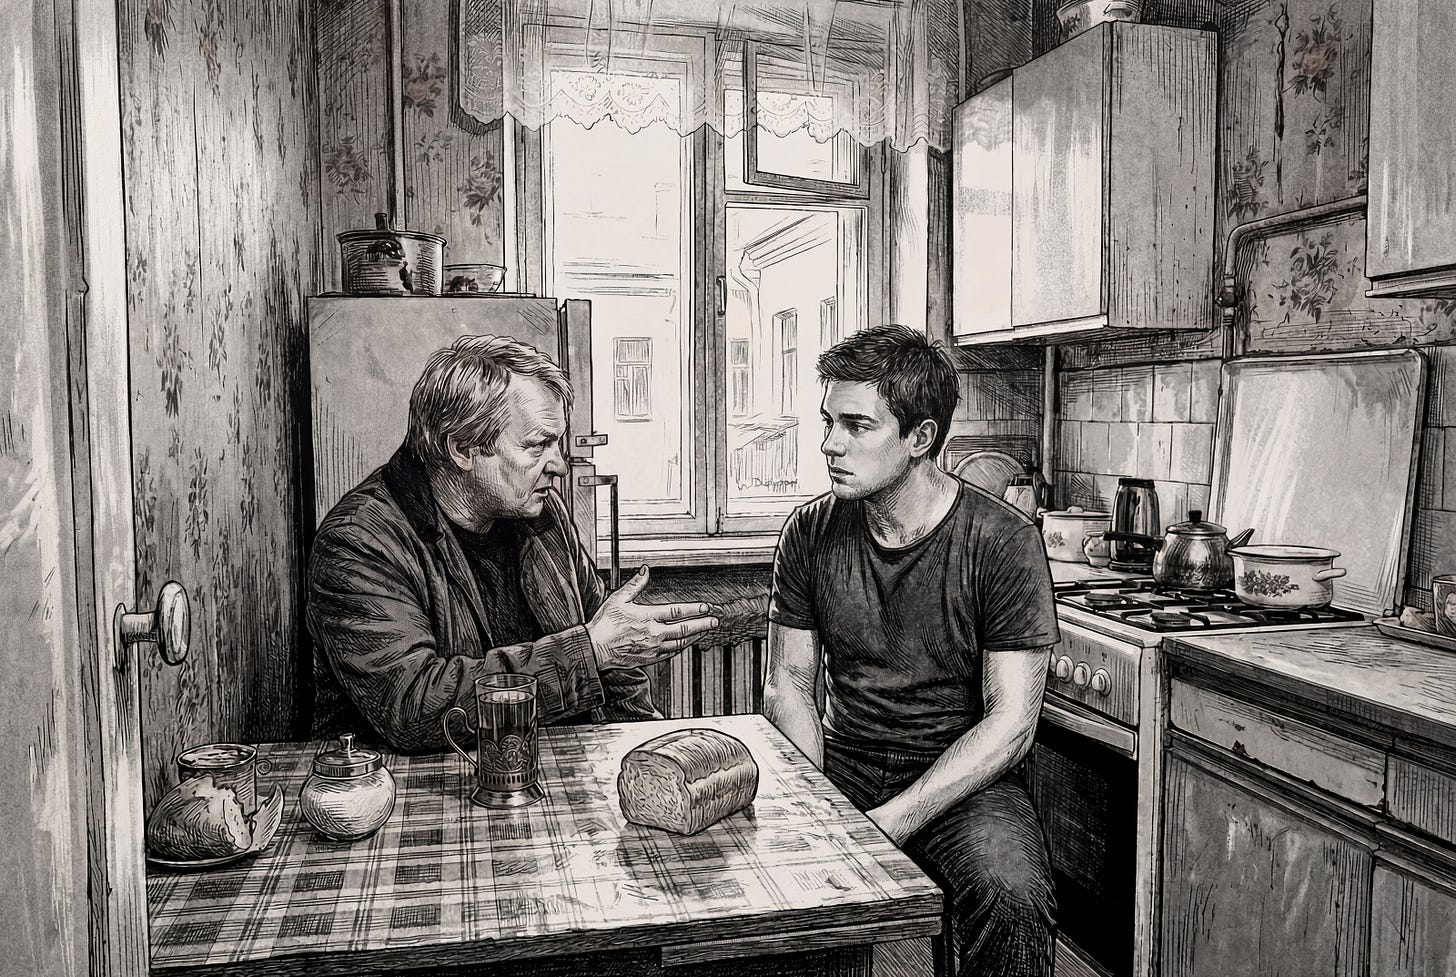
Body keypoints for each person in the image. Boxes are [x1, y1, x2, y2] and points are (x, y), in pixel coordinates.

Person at [762, 324, 1059, 977]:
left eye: (857, 426)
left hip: (967, 777)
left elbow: (1011, 723)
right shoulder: (810, 531)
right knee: (780, 894)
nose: (829, 444)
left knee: (1013, 898)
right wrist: (814, 794)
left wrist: (895, 818)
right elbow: (787, 679)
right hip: (844, 759)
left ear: (920, 438)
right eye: (827, 421)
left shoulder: (1004, 540)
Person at [307, 334, 721, 752]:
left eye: (556, 443)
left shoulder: (544, 514)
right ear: (463, 448)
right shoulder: (358, 542)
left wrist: (652, 750)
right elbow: (414, 709)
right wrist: (589, 652)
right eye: (538, 444)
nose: (559, 465)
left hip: (553, 775)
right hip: (425, 790)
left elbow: (614, 663)